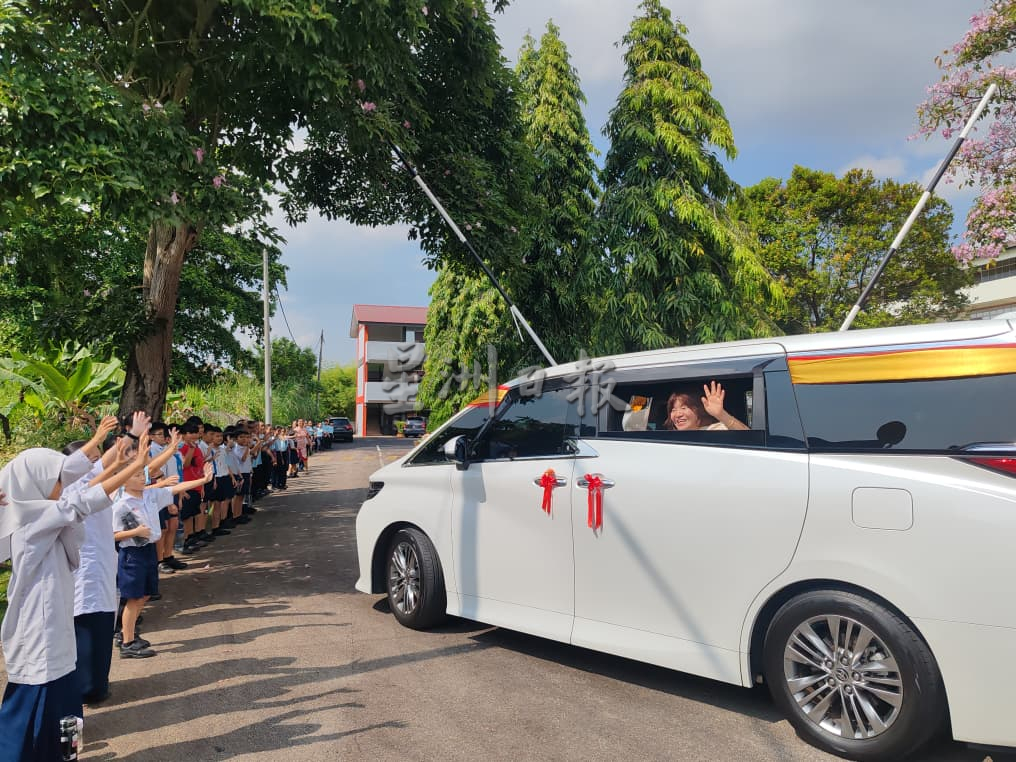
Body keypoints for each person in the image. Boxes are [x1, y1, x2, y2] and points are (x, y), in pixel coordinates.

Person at [0, 422, 148, 762]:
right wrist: (131, 465)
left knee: (69, 718)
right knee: (23, 720)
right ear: (33, 483)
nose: (64, 485)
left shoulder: (44, 512)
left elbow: (84, 490)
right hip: (38, 637)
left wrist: (117, 461)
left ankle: (67, 755)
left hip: (57, 636)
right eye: (57, 479)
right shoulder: (29, 521)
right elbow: (81, 502)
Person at [662, 381, 749, 431]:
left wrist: (721, 415)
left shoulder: (713, 430)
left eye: (683, 408)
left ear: (699, 410)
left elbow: (749, 439)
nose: (678, 414)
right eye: (673, 410)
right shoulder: (670, 437)